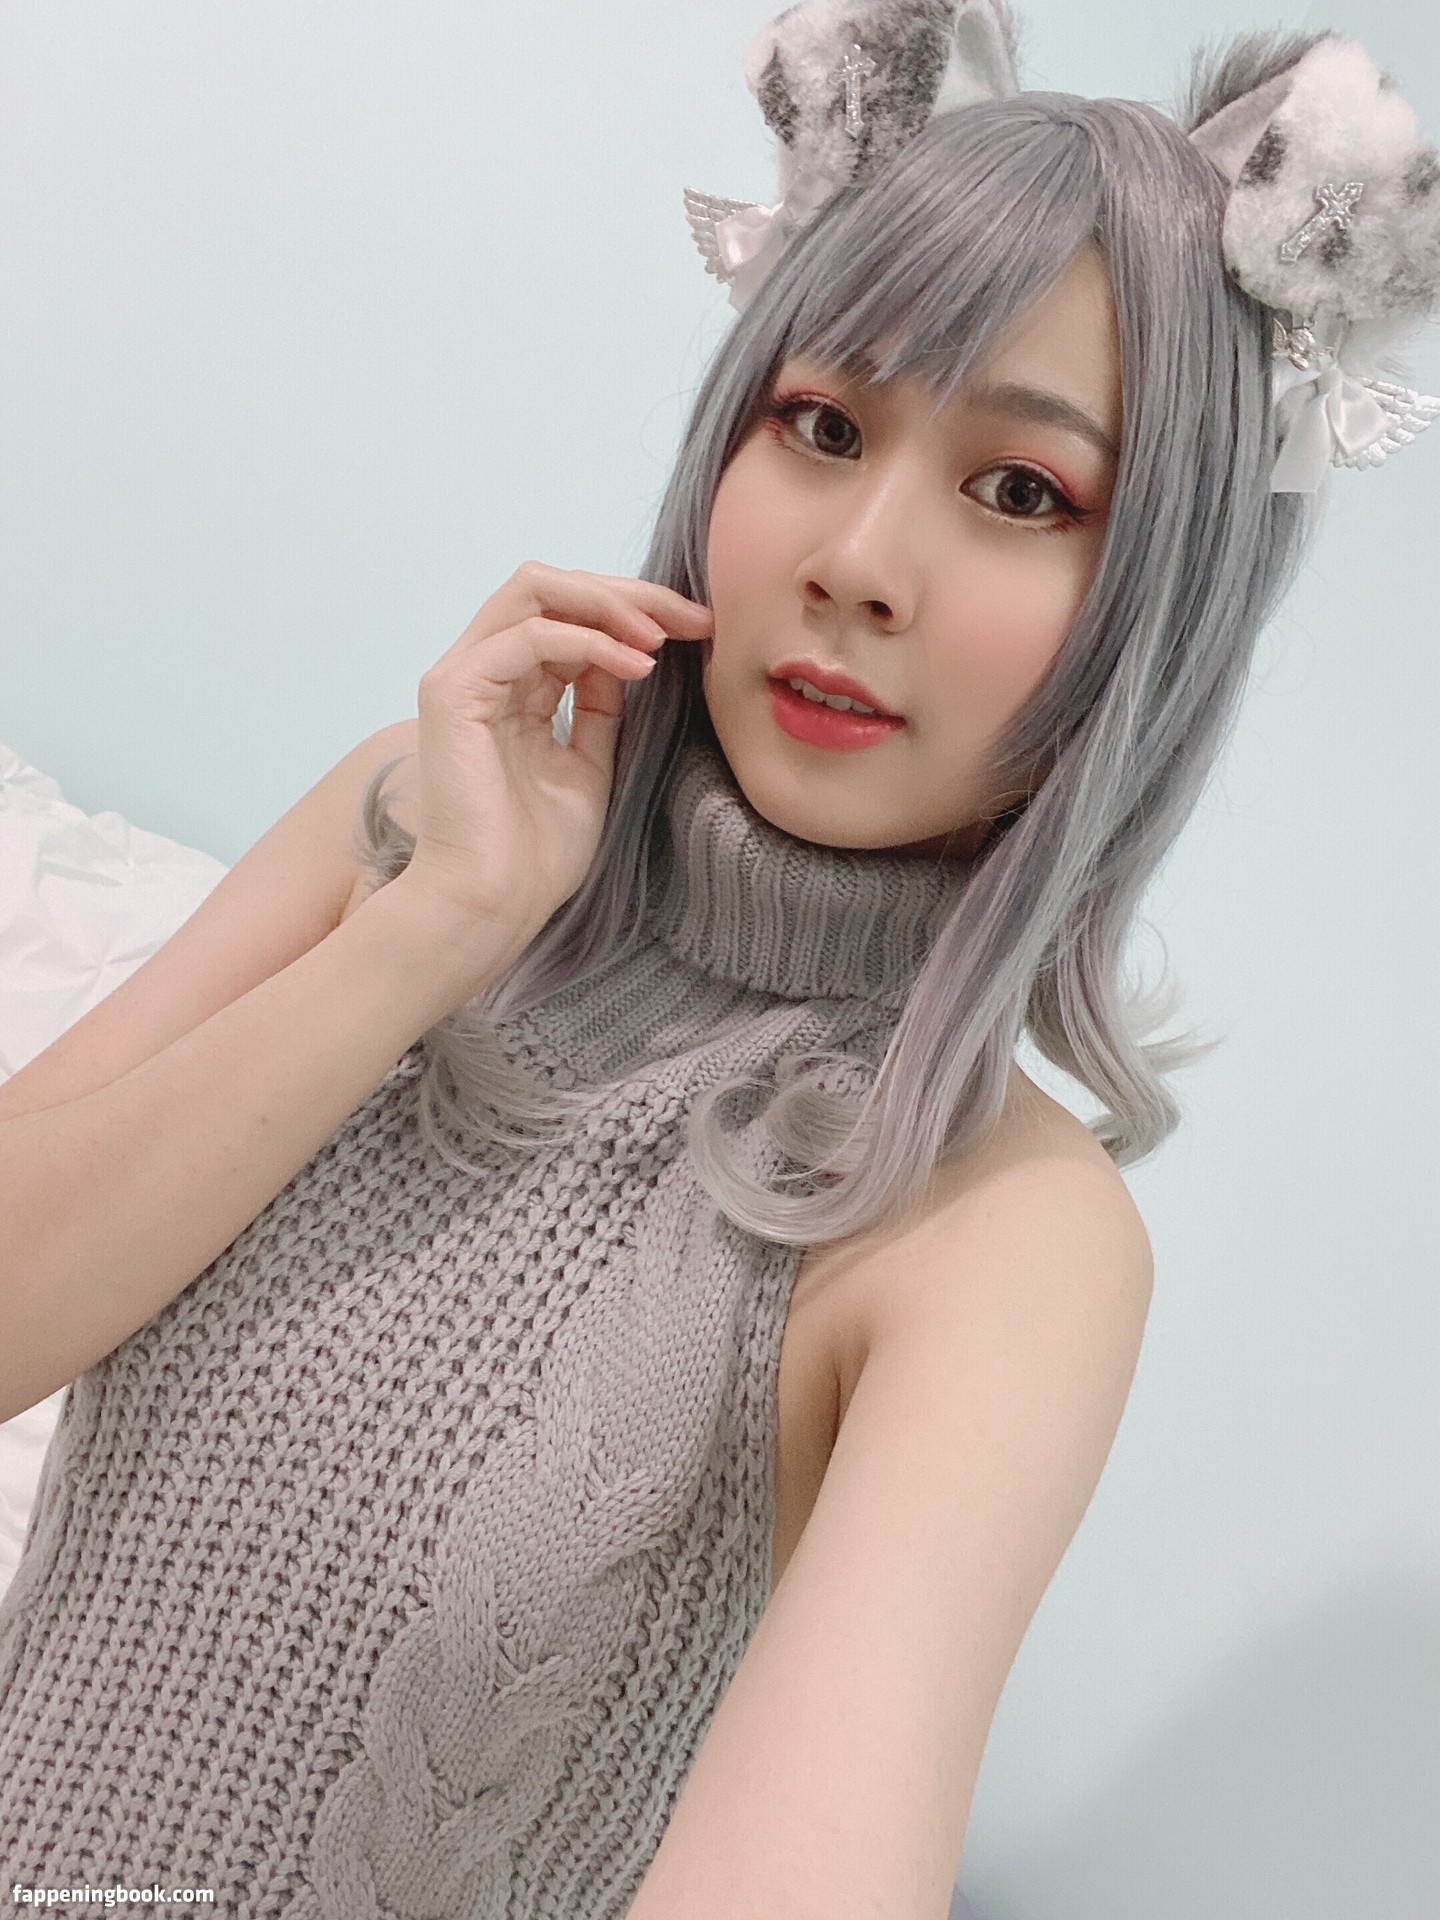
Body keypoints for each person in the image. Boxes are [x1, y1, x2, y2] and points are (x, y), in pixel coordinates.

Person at [1, 2, 1436, 1915]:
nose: (857, 559)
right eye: (821, 424)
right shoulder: (405, 833)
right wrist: (436, 929)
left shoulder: (1000, 1232)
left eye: (1024, 491)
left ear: (1158, 606)